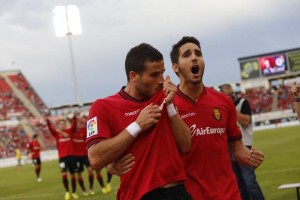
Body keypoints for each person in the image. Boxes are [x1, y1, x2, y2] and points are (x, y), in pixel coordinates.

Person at [109, 37, 265, 200]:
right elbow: (137, 148)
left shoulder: (223, 101)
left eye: (198, 53)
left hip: (229, 195)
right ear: (175, 67)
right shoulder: (164, 104)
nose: (194, 57)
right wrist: (112, 166)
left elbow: (237, 149)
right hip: (187, 195)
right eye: (187, 55)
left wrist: (249, 156)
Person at [86, 43, 192, 200]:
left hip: (176, 191)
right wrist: (137, 126)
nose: (161, 80)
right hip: (139, 194)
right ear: (133, 76)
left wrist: (170, 107)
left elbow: (186, 145)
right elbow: (95, 159)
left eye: (162, 73)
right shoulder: (103, 106)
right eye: (154, 75)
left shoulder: (164, 96)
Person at [220, 84, 265, 200]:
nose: (232, 97)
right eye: (228, 95)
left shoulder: (243, 103)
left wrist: (230, 107)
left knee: (249, 182)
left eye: (232, 94)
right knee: (238, 183)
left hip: (245, 146)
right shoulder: (220, 107)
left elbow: (246, 121)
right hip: (229, 149)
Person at [46, 116, 79, 200]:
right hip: (62, 158)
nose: (62, 125)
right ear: (59, 125)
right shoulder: (56, 134)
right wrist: (47, 121)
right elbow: (50, 129)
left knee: (73, 176)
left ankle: (74, 192)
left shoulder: (70, 131)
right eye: (60, 124)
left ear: (65, 125)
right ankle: (67, 192)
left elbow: (74, 125)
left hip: (72, 157)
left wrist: (74, 117)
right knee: (64, 175)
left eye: (63, 124)